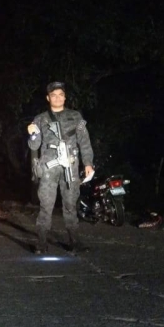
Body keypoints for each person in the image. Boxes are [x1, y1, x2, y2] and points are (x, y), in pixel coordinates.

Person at [27, 81, 94, 254]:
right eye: (54, 95)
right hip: (49, 169)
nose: (57, 98)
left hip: (70, 166)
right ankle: (41, 243)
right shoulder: (40, 119)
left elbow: (84, 141)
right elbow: (34, 146)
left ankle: (74, 242)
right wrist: (33, 134)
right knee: (46, 205)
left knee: (71, 204)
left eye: (61, 94)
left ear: (65, 97)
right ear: (48, 98)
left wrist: (88, 163)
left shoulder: (75, 116)